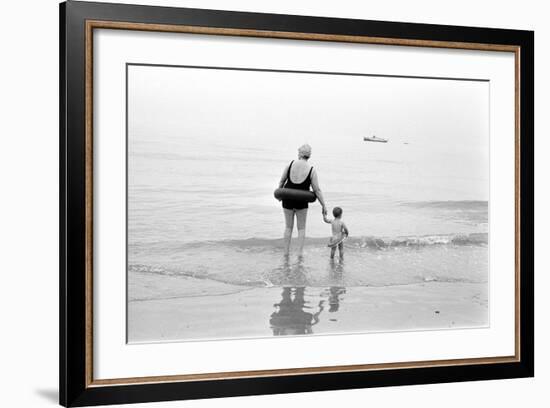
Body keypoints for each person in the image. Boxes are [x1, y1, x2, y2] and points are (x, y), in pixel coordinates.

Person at [277, 144, 327, 257]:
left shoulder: (289, 165)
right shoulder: (312, 170)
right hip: (302, 201)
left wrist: (279, 196)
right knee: (301, 229)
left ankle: (286, 254)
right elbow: (317, 190)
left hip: (287, 199)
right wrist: (323, 205)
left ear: (299, 153)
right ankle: (299, 255)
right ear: (309, 155)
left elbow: (281, 182)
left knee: (288, 227)